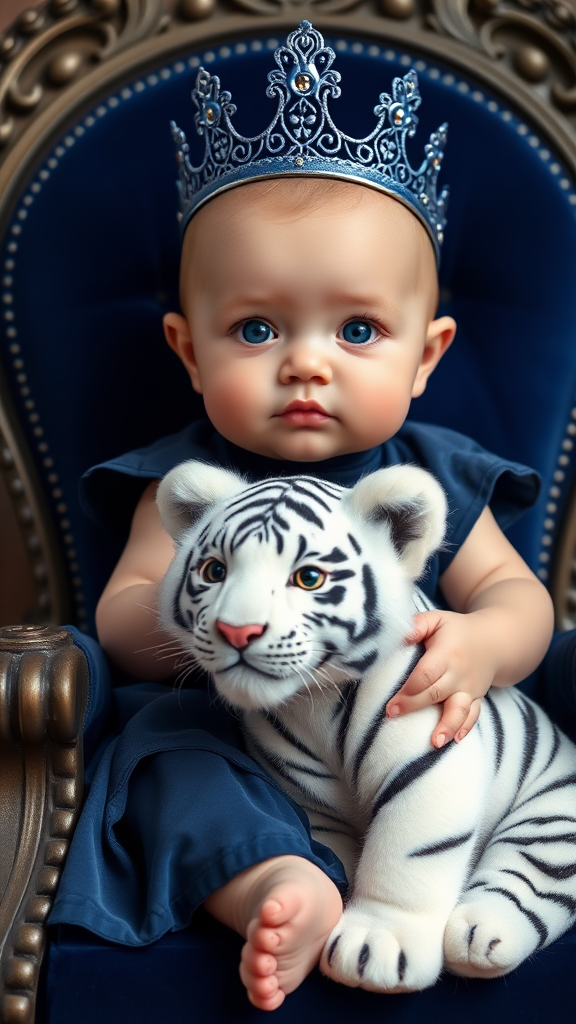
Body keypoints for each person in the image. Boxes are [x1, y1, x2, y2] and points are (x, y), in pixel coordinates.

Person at [50, 23, 554, 1012]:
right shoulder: (188, 477)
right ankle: (278, 884)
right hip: (232, 732)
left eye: (357, 329)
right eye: (257, 328)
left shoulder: (430, 475)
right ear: (188, 353)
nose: (307, 363)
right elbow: (124, 612)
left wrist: (485, 640)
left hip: (397, 740)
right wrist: (210, 619)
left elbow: (513, 593)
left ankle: (440, 874)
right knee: (165, 764)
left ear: (427, 355)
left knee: (461, 743)